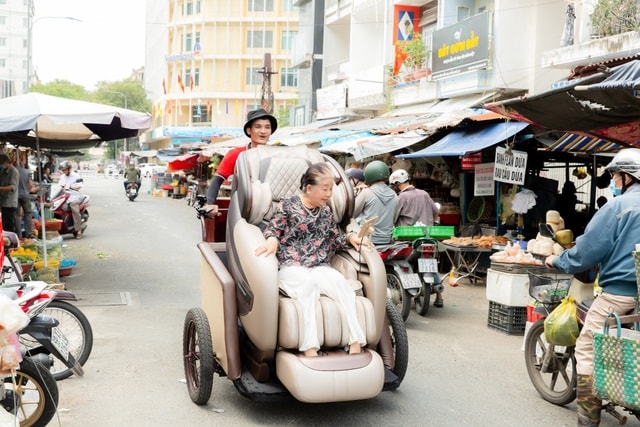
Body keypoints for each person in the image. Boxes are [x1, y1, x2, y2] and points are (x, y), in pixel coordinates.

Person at [544, 148, 640, 426]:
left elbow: (585, 253)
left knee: (588, 348)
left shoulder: (617, 208)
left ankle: (588, 421)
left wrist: (557, 260)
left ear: (626, 177)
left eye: (614, 175)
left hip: (620, 296)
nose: (613, 180)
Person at [255, 163, 370, 357]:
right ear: (309, 188)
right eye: (325, 189)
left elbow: (335, 239)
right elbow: (273, 229)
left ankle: (356, 341)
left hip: (318, 266)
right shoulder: (288, 205)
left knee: (342, 285)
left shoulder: (325, 211)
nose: (329, 194)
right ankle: (310, 346)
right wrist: (272, 240)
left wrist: (351, 237)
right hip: (291, 266)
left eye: (331, 189)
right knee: (308, 286)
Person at [389, 168, 444, 307]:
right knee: (431, 261)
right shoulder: (424, 193)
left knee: (403, 262)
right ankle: (439, 295)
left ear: (397, 184)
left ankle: (403, 290)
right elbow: (436, 212)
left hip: (407, 239)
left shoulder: (401, 197)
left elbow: (394, 218)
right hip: (427, 236)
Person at [206, 108, 277, 214]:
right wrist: (210, 203)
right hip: (242, 209)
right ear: (249, 130)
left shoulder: (276, 154)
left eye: (267, 127)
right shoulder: (236, 154)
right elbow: (217, 180)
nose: (263, 131)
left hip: (271, 208)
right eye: (258, 127)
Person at [352, 160, 398, 246]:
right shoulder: (394, 195)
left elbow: (352, 213)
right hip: (387, 241)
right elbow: (394, 218)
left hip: (366, 240)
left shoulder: (367, 193)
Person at [57, 163, 84, 239]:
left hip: (74, 196)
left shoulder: (76, 176)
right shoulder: (62, 177)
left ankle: (78, 231)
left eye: (65, 170)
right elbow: (60, 186)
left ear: (69, 169)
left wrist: (71, 187)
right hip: (64, 197)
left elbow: (79, 186)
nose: (64, 171)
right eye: (63, 170)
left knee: (75, 211)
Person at [16, 154, 39, 238]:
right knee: (28, 214)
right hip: (25, 195)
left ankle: (18, 235)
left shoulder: (13, 171)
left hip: (15, 196)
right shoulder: (27, 172)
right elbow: (31, 184)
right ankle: (29, 233)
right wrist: (28, 190)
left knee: (17, 215)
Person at [0, 154, 20, 235]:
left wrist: (0, 188)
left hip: (10, 202)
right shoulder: (3, 172)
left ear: (7, 162)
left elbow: (12, 187)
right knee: (4, 224)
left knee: (9, 224)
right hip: (3, 202)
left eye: (1, 163)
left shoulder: (13, 172)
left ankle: (12, 242)